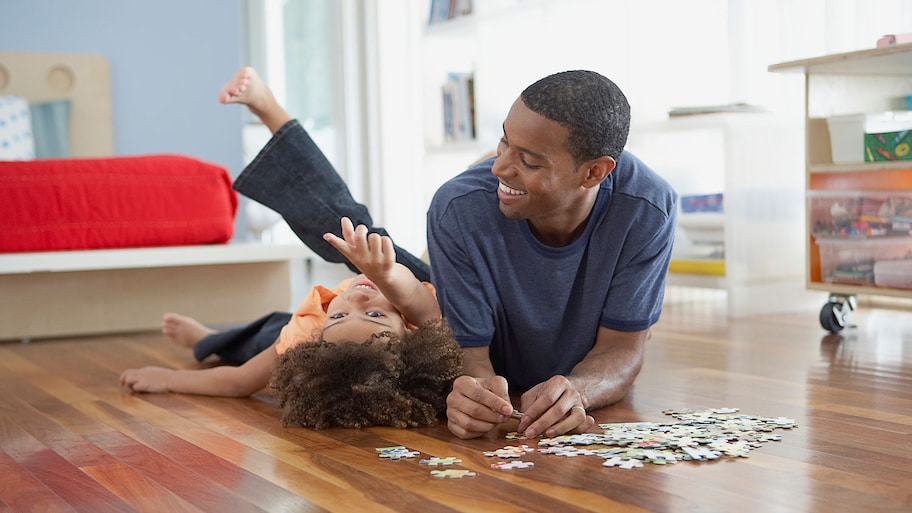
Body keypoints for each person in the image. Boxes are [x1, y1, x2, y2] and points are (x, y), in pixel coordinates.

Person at [428, 70, 677, 439]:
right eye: (503, 142)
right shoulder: (457, 209)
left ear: (594, 172)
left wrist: (579, 391)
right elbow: (472, 354)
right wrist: (475, 395)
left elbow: (622, 348)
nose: (499, 167)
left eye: (528, 161)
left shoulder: (648, 208)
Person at [120, 216, 463, 429]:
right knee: (266, 329)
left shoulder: (303, 339)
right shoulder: (427, 330)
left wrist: (167, 379)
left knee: (258, 339)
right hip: (307, 325)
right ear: (409, 333)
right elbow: (416, 297)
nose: (355, 300)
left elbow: (239, 382)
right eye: (375, 316)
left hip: (292, 331)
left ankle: (207, 339)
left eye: (340, 316)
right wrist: (387, 274)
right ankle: (215, 337)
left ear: (319, 338)